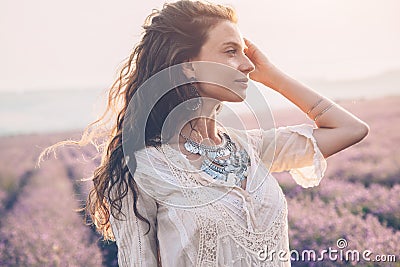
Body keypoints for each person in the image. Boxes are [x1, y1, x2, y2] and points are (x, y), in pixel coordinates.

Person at [38, 0, 369, 266]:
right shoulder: (143, 168)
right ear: (187, 66)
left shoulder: (250, 148)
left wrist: (272, 74)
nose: (248, 64)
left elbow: (350, 129)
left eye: (245, 53)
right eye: (230, 51)